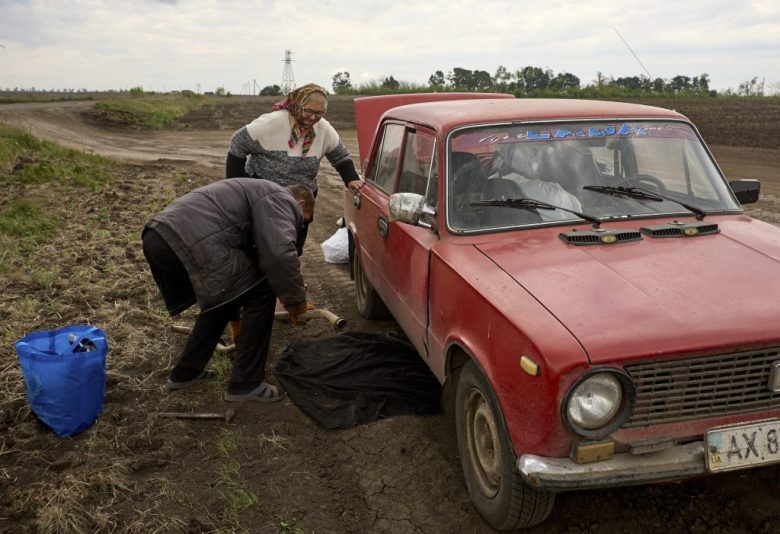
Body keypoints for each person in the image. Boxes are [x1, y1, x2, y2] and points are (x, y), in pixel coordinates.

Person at [141, 178, 315, 402]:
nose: (299, 226)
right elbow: (278, 255)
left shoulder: (259, 192)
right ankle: (247, 384)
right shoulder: (281, 199)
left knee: (225, 296)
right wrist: (296, 303)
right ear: (300, 204)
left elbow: (234, 281)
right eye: (303, 220)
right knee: (262, 288)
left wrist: (235, 317)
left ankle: (186, 373)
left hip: (158, 238)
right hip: (188, 240)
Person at [226, 82, 364, 255]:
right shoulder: (271, 124)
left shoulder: (323, 129)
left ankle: (288, 274)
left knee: (294, 243)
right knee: (262, 243)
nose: (313, 118)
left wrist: (351, 178)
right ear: (298, 105)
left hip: (302, 197)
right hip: (266, 195)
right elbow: (237, 143)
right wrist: (237, 184)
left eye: (319, 113)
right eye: (309, 111)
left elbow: (340, 156)